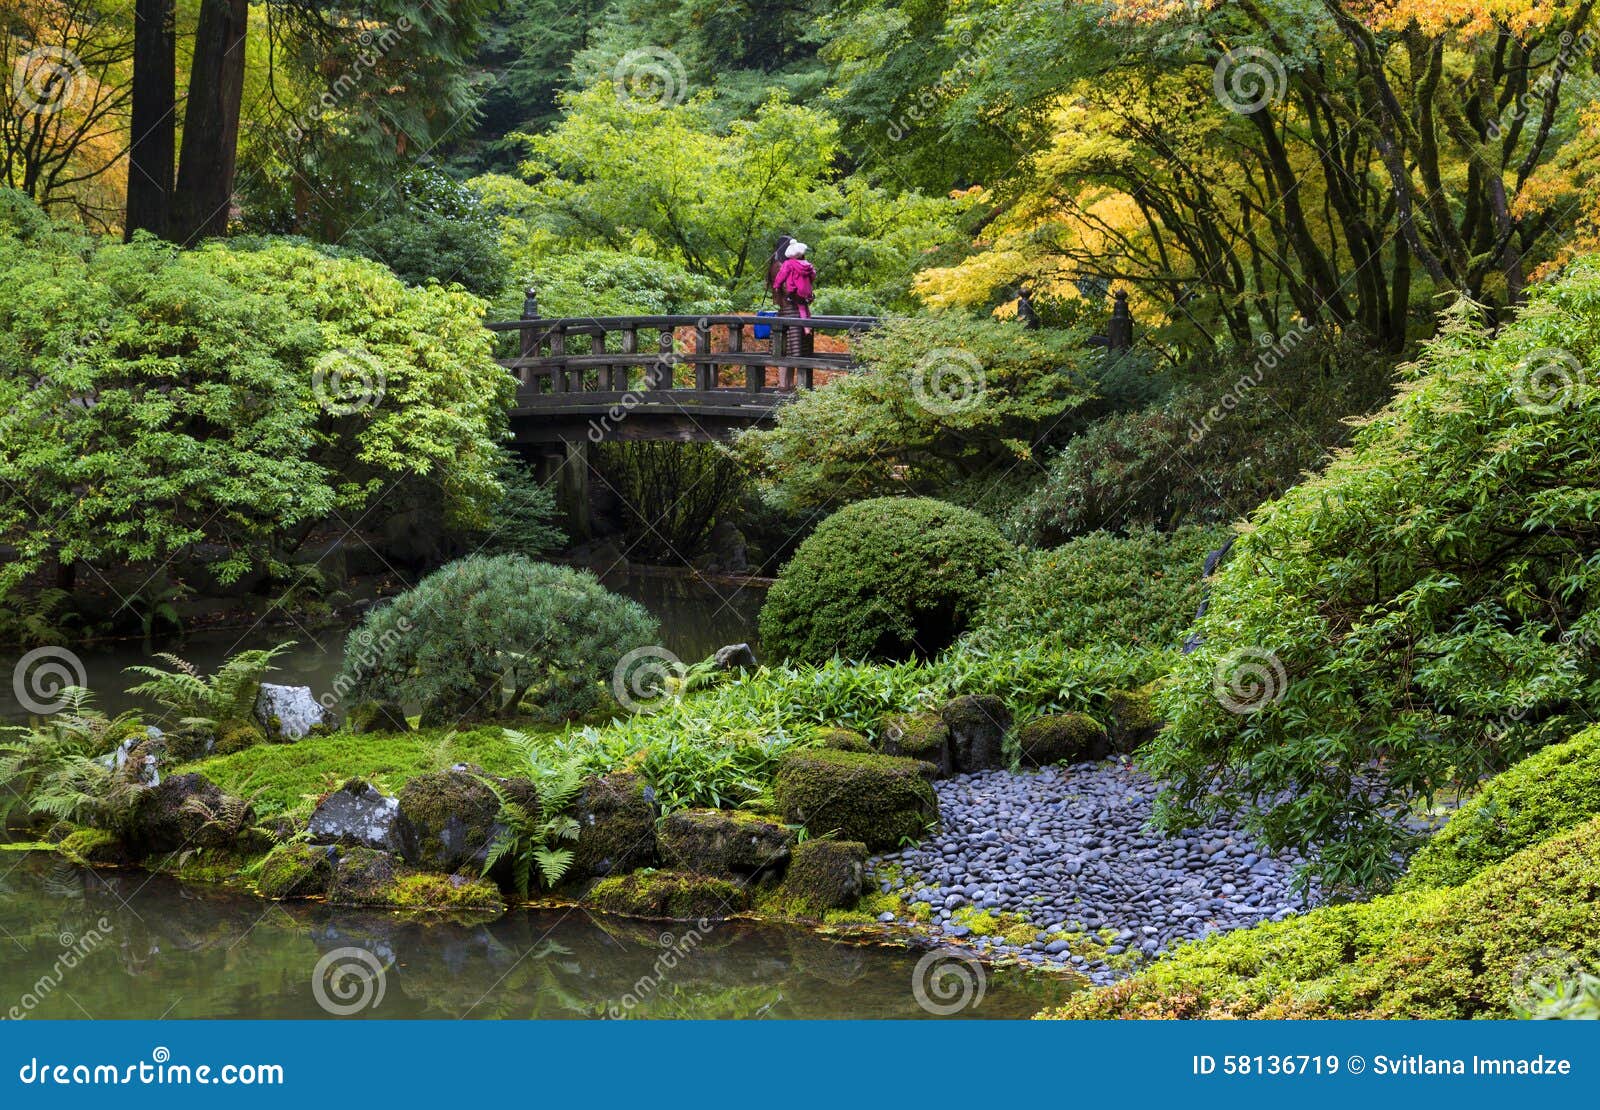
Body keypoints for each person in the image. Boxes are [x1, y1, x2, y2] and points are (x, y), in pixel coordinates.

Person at [772, 240, 816, 388]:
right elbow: (787, 289)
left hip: (792, 311)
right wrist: (805, 296)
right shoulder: (780, 266)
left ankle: (790, 385)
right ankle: (785, 385)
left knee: (792, 350)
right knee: (788, 350)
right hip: (791, 311)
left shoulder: (788, 265)